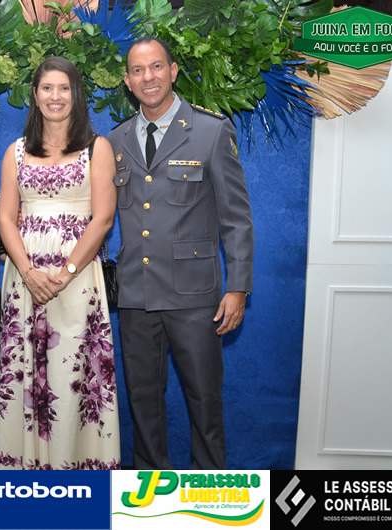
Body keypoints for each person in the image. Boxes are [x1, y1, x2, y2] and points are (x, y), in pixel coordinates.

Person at [108, 37, 253, 469]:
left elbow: (236, 218)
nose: (148, 77)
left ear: (172, 71)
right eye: (138, 70)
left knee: (204, 400)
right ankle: (151, 492)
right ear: (127, 81)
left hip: (194, 297)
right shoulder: (115, 141)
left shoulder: (210, 131)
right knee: (142, 402)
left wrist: (238, 288)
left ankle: (208, 492)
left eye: (156, 67)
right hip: (136, 295)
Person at [0, 56, 121, 470]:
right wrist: (29, 272)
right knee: (25, 370)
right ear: (35, 95)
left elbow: (103, 218)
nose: (55, 96)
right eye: (47, 88)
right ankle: (25, 470)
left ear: (76, 94)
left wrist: (65, 274)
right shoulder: (15, 153)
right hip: (24, 278)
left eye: (64, 88)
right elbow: (5, 218)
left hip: (78, 278)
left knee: (74, 374)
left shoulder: (97, 149)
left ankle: (78, 469)